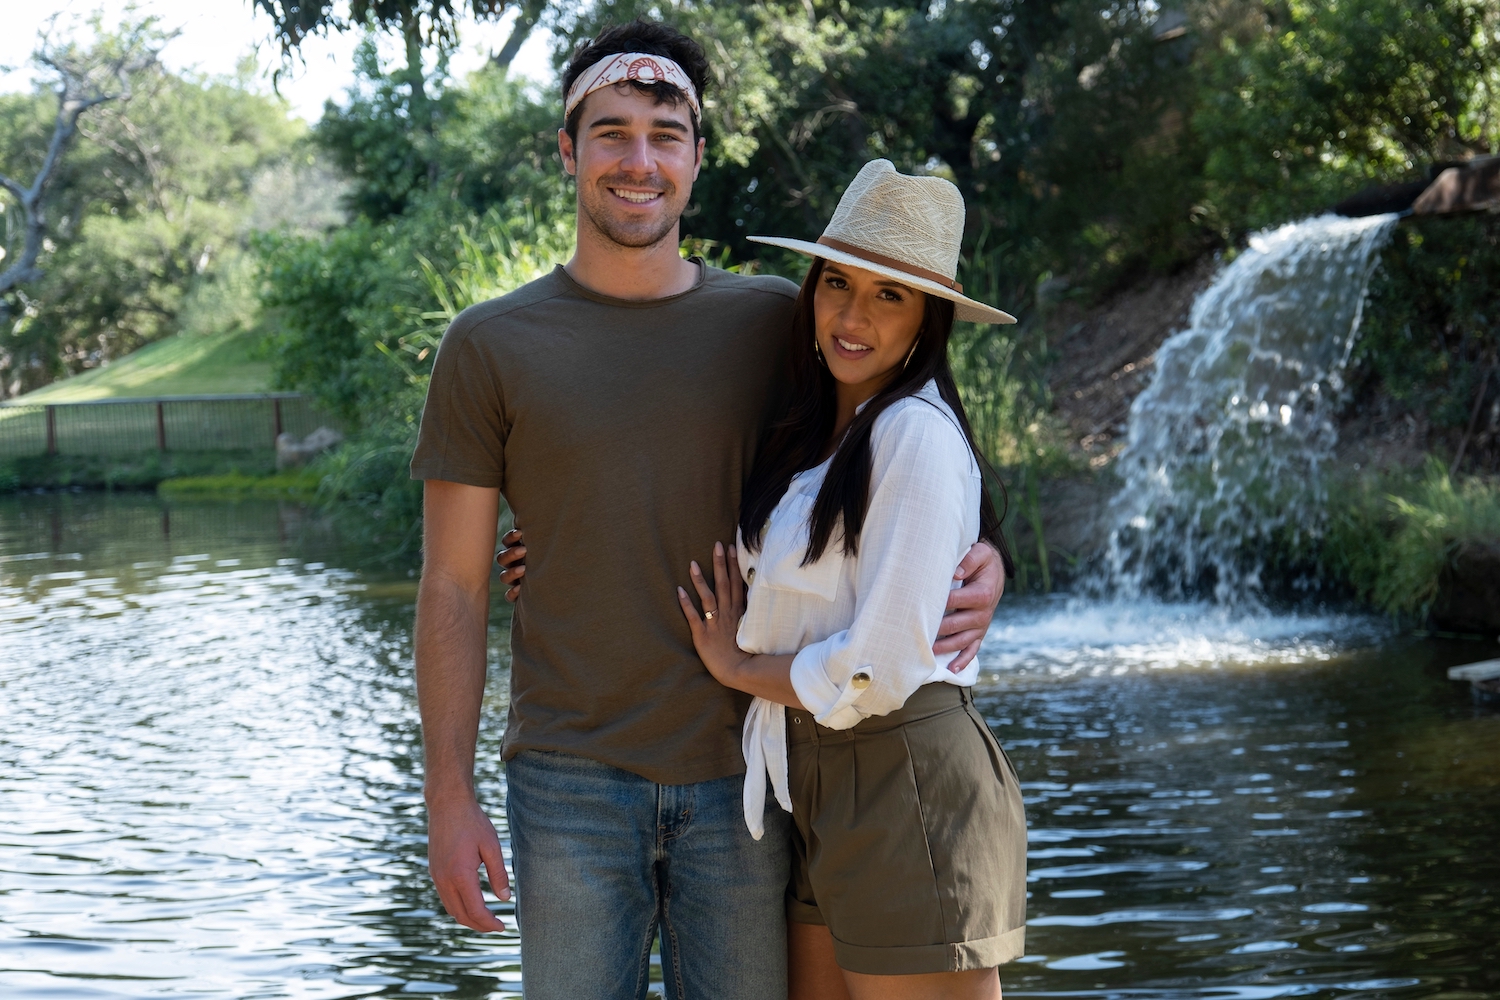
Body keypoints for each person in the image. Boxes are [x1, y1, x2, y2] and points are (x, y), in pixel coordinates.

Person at [410, 20, 1007, 1000]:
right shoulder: (489, 345)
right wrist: (447, 797)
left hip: (754, 776)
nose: (637, 161)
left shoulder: (780, 319)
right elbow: (455, 584)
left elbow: (909, 447)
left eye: (664, 133)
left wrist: (987, 557)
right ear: (567, 148)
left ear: (697, 153)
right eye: (610, 132)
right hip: (568, 780)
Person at [676, 159, 1028, 1000]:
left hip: (902, 772)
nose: (852, 315)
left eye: (889, 295)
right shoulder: (810, 437)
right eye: (837, 282)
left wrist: (736, 670)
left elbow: (882, 664)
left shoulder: (915, 434)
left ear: (928, 320)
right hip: (816, 786)